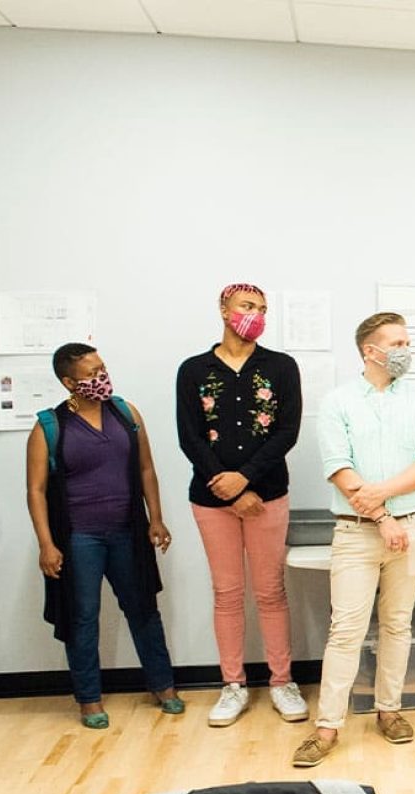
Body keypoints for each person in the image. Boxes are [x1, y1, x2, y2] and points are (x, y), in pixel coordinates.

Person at [294, 312, 415, 768]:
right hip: (357, 532)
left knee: (398, 623)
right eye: (397, 342)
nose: (405, 350)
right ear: (370, 350)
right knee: (346, 630)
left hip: (413, 525)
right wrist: (381, 515)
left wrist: (384, 494)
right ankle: (327, 728)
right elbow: (340, 467)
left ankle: (389, 711)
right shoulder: (338, 402)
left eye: (406, 341)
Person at [26, 344, 181, 729]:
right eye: (91, 374)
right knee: (83, 618)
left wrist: (156, 519)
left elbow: (146, 469)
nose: (101, 378)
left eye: (103, 368)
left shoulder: (126, 414)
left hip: (127, 532)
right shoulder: (49, 425)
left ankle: (163, 686)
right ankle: (89, 699)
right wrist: (47, 544)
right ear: (68, 382)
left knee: (143, 609)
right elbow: (36, 491)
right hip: (79, 538)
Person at [176, 284, 306, 728]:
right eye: (248, 306)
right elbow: (189, 437)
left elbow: (287, 431)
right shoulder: (194, 370)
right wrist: (229, 488)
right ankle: (233, 684)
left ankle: (281, 681)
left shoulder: (281, 366)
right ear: (224, 310)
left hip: (268, 494)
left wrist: (247, 479)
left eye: (263, 309)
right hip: (211, 498)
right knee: (227, 593)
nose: (256, 314)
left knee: (270, 591)